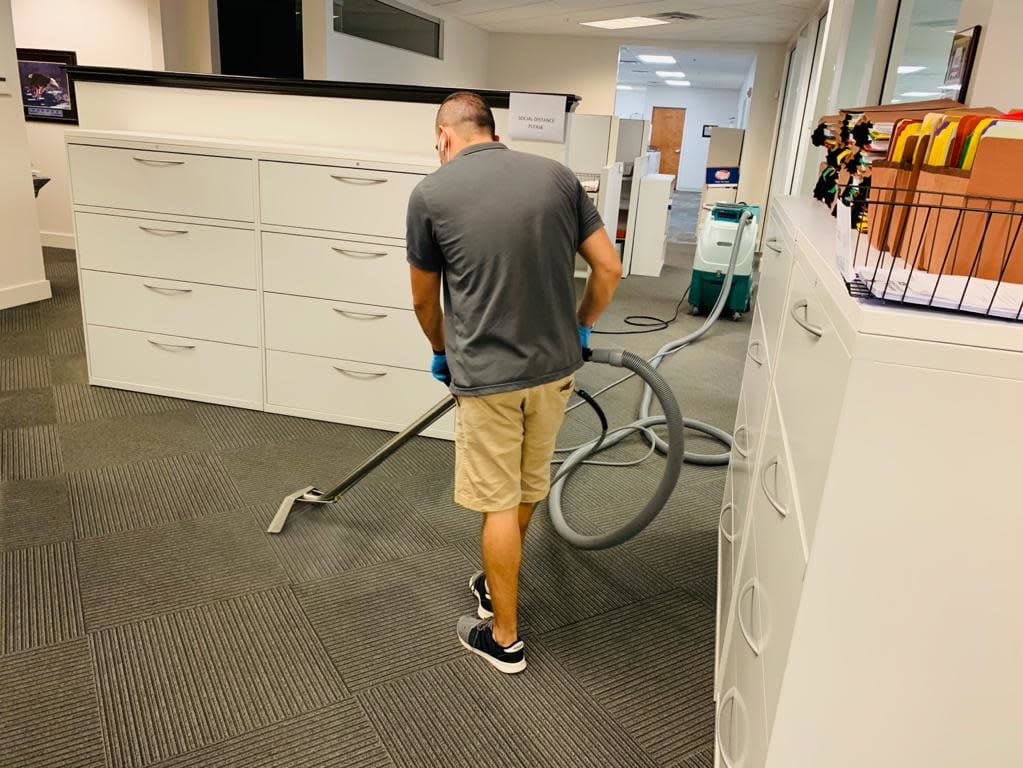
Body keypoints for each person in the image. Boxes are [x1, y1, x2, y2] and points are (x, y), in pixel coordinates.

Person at [406, 91, 622, 674]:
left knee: (496, 503)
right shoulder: (557, 176)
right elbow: (609, 267)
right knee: (528, 486)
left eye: (437, 144)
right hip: (555, 371)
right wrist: (580, 327)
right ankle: (493, 581)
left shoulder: (431, 193)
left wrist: (440, 352)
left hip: (487, 376)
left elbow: (424, 299)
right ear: (492, 130)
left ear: (446, 136)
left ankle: (504, 637)